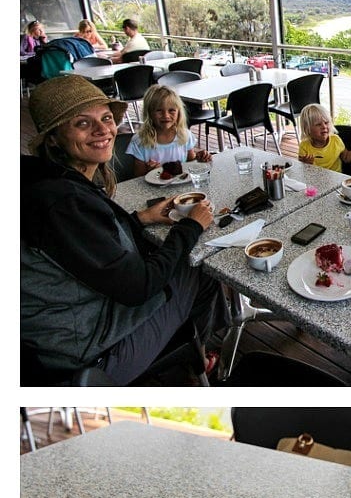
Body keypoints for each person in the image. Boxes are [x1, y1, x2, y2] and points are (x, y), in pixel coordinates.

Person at [21, 75, 228, 385]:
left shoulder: (48, 183)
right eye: (82, 123)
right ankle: (201, 356)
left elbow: (85, 247)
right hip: (88, 355)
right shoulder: (62, 202)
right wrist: (189, 226)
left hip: (65, 329)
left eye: (106, 118)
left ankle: (198, 347)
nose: (103, 130)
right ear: (52, 137)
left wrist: (140, 218)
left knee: (175, 258)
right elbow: (139, 286)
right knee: (198, 267)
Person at [126, 85, 212, 177]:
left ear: (179, 112)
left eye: (171, 110)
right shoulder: (140, 141)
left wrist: (200, 158)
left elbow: (190, 162)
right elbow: (138, 177)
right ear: (149, 113)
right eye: (159, 110)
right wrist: (150, 172)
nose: (166, 115)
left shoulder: (184, 135)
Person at [297, 103, 351, 172]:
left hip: (335, 178)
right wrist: (305, 164)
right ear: (307, 129)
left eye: (326, 122)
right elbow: (303, 170)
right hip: (314, 179)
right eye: (318, 124)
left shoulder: (335, 140)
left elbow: (345, 157)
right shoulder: (304, 146)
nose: (324, 126)